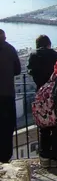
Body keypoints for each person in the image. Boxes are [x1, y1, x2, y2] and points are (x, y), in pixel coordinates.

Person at [27, 35, 57, 168]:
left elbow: (30, 71)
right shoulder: (56, 55)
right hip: (55, 93)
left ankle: (44, 156)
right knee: (56, 124)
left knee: (43, 125)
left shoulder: (33, 56)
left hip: (40, 94)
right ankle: (56, 156)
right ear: (49, 44)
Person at [0, 29, 21, 163]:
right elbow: (18, 70)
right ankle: (5, 157)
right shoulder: (10, 49)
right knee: (7, 126)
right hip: (7, 94)